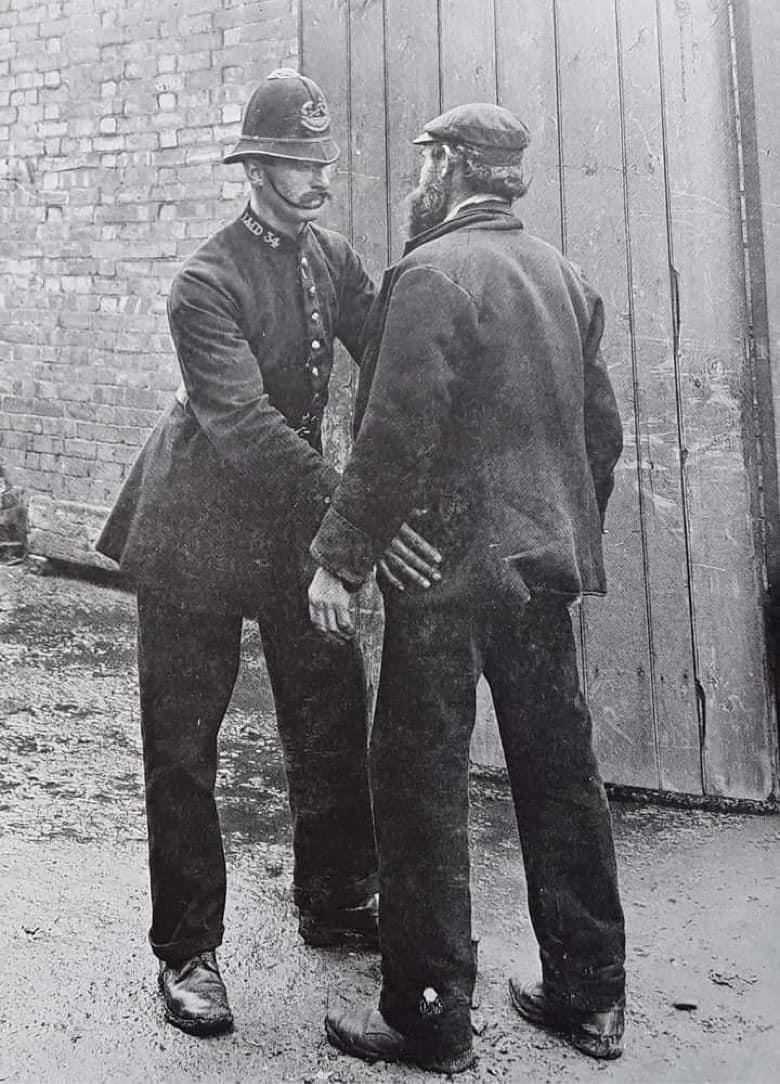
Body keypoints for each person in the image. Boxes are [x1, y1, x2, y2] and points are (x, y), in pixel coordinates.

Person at [96, 69, 439, 1038]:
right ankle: (188, 950)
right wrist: (357, 510)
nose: (314, 177)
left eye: (319, 160)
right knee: (183, 743)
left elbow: (396, 346)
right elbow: (243, 423)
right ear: (254, 170)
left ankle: (334, 896)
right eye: (294, 163)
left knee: (332, 705)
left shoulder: (332, 259)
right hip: (194, 526)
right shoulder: (204, 282)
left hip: (287, 520)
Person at [308, 102, 626, 1074]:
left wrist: (341, 557)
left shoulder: (432, 273)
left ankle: (432, 1015)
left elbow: (395, 435)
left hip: (445, 577)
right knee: (559, 775)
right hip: (538, 572)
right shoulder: (563, 276)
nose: (418, 179)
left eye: (425, 161)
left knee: (417, 784)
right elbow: (599, 435)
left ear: (449, 168)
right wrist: (560, 528)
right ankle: (589, 995)